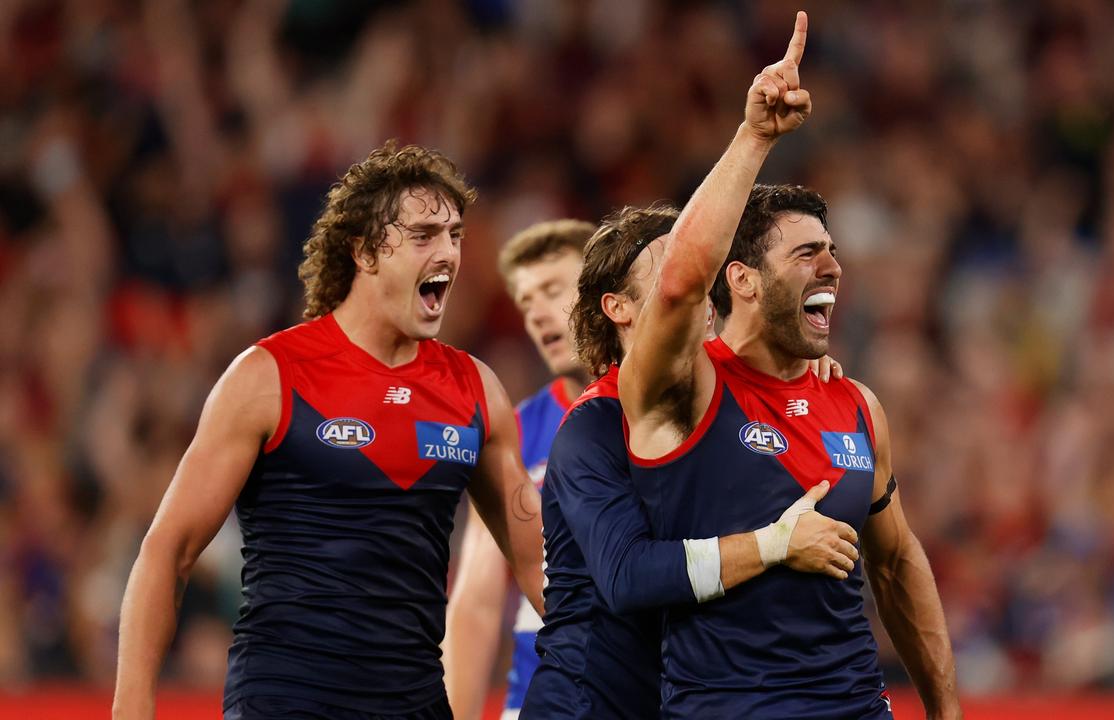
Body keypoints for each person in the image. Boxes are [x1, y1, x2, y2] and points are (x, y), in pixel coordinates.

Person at [112, 142, 546, 720]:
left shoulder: (476, 392)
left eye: (455, 235)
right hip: (285, 703)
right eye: (423, 236)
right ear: (365, 252)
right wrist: (131, 708)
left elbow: (544, 570)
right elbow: (169, 553)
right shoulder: (269, 376)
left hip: (414, 706)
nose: (447, 253)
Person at [618, 11, 962, 719]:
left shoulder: (857, 406)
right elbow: (681, 280)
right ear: (741, 279)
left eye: (832, 250)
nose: (833, 266)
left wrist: (946, 711)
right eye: (806, 254)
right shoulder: (687, 387)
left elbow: (896, 564)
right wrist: (756, 137)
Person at [524, 197, 860, 719]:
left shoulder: (721, 410)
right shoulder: (593, 426)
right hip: (588, 704)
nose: (695, 293)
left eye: (703, 277)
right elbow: (627, 578)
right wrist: (773, 546)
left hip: (672, 701)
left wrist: (796, 369)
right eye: (673, 279)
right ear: (619, 308)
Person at [442, 219, 596, 720]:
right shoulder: (519, 428)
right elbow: (477, 602)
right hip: (537, 698)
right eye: (526, 303)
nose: (539, 316)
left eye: (554, 290)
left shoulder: (671, 404)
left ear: (606, 291)